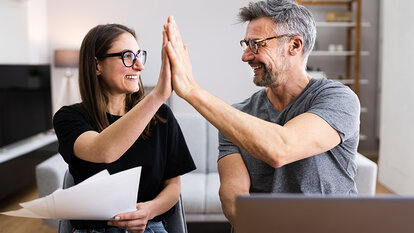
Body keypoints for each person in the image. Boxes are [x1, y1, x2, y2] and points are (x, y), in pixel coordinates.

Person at [163, 0, 360, 227]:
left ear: (294, 45)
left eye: (256, 44)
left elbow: (281, 148)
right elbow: (233, 197)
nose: (246, 56)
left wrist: (192, 91)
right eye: (246, 44)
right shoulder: (238, 117)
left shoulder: (338, 99)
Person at [53, 23, 196, 233]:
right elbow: (104, 151)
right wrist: (157, 95)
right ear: (96, 66)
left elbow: (173, 188)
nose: (139, 66)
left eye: (139, 55)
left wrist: (148, 210)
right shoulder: (69, 118)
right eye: (127, 56)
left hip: (149, 226)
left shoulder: (161, 117)